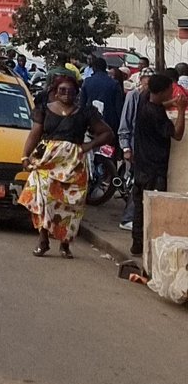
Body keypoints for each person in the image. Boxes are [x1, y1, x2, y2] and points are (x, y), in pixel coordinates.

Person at [19, 73, 114, 258]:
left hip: (74, 166)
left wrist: (87, 146)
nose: (66, 94)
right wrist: (25, 156)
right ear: (54, 92)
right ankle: (43, 239)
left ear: (77, 93)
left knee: (71, 205)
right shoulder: (44, 110)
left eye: (71, 91)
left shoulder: (86, 112)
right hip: (47, 163)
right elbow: (34, 134)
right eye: (62, 90)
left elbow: (107, 133)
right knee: (45, 200)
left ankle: (65, 244)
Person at [129, 74, 187, 258]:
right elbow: (177, 134)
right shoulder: (156, 115)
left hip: (141, 165)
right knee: (154, 209)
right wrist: (181, 109)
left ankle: (137, 244)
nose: (172, 92)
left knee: (140, 206)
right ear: (161, 92)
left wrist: (172, 101)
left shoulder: (145, 100)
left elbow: (159, 103)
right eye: (170, 90)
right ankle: (149, 247)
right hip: (155, 169)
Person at [117, 67, 155, 229]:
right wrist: (126, 148)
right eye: (146, 81)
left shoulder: (152, 98)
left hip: (147, 149)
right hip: (133, 146)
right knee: (135, 182)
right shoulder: (134, 96)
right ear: (141, 81)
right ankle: (128, 218)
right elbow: (125, 124)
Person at [80, 57, 124, 140]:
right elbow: (119, 108)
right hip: (110, 123)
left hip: (92, 122)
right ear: (105, 68)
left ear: (93, 68)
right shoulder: (114, 83)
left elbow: (82, 104)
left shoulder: (87, 81)